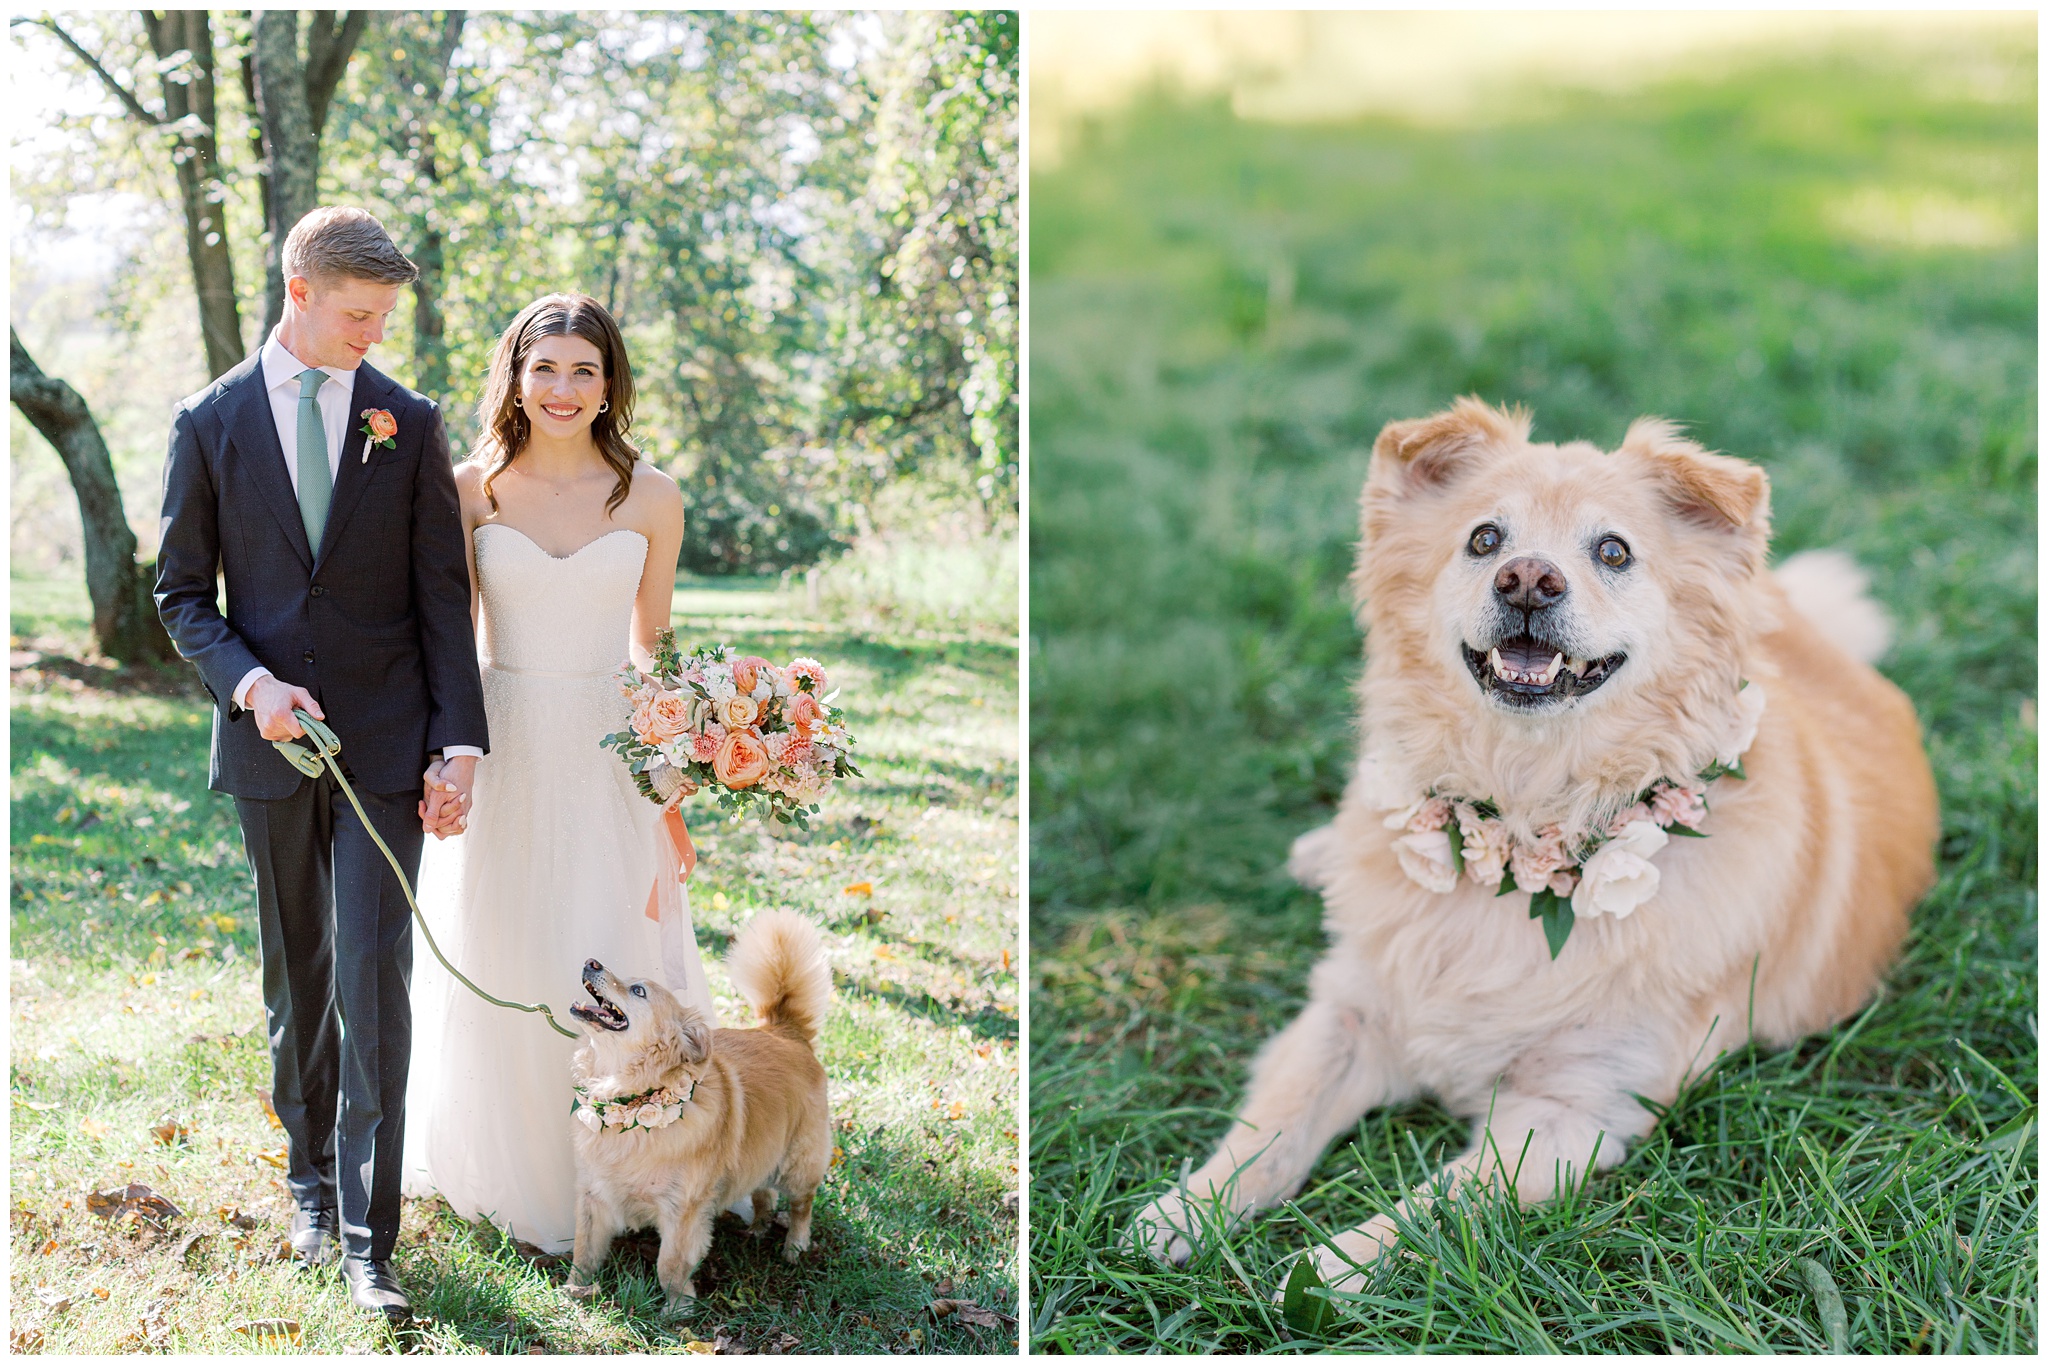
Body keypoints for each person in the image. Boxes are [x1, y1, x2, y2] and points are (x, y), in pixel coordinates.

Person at [155, 206, 488, 1320]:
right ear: (299, 289)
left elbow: (443, 595)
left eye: (384, 316)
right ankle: (305, 1185)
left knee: (372, 975)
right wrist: (252, 687)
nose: (371, 334)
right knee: (298, 978)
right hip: (268, 748)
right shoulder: (208, 420)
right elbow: (180, 597)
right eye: (357, 314)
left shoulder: (407, 420)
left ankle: (368, 1236)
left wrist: (458, 740)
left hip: (387, 744)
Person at [401, 292, 721, 1254]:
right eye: (546, 367)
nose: (564, 388)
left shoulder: (651, 496)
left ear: (611, 382)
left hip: (607, 746)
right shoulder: (469, 489)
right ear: (515, 374)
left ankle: (638, 1164)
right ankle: (523, 1167)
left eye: (585, 369)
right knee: (509, 936)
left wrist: (677, 767)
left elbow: (652, 647)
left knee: (605, 937)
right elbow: (449, 639)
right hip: (503, 737)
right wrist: (444, 755)